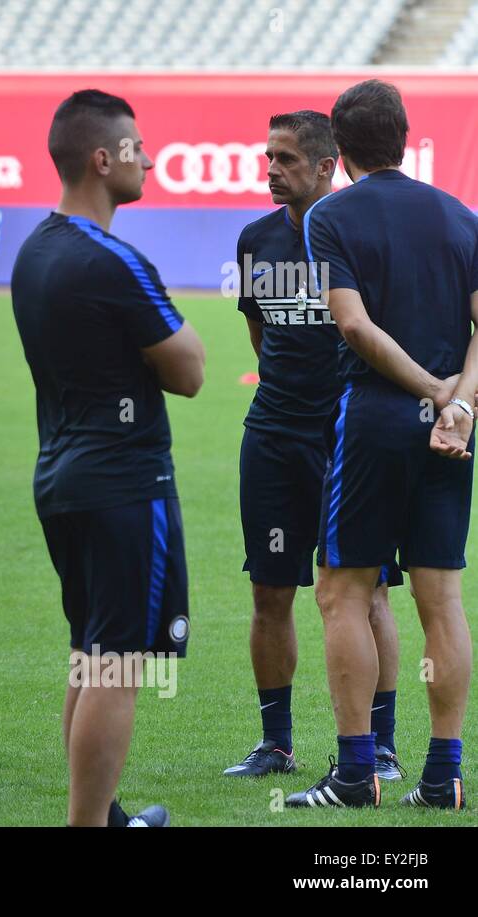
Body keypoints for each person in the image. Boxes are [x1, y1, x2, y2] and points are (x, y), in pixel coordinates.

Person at [11, 89, 204, 826]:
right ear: (103, 158)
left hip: (61, 475)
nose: (148, 157)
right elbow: (189, 372)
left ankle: (104, 816)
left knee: (91, 656)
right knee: (118, 664)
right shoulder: (115, 259)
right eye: (136, 146)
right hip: (125, 482)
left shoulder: (33, 250)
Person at [287, 79, 477, 811]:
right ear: (403, 133)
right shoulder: (461, 215)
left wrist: (433, 390)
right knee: (442, 600)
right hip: (451, 431)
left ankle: (356, 773)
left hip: (370, 419)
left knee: (342, 592)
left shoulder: (331, 216)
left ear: (339, 146)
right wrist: (458, 404)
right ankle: (443, 774)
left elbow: (356, 329)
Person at [226, 111, 402, 781]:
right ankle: (276, 744)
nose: (271, 169)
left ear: (327, 167)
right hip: (273, 436)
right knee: (270, 593)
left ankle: (379, 747)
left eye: (286, 159)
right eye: (268, 157)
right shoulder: (255, 240)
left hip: (350, 439)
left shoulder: (358, 232)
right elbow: (260, 335)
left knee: (366, 593)